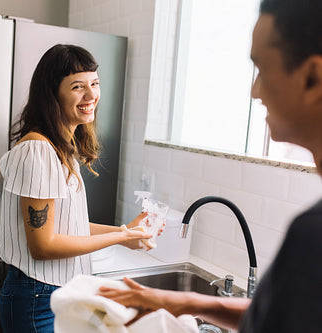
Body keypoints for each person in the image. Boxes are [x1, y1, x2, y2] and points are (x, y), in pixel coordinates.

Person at [98, 0, 322, 331]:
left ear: (313, 78)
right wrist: (180, 302)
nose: (254, 91)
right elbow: (278, 317)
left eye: (261, 68)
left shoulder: (312, 235)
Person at [0, 44, 154, 333]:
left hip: (55, 294)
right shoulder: (38, 150)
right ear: (53, 93)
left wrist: (124, 233)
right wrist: (119, 237)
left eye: (95, 83)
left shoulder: (61, 149)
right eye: (78, 87)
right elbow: (43, 246)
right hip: (37, 299)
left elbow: (68, 226)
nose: (91, 95)